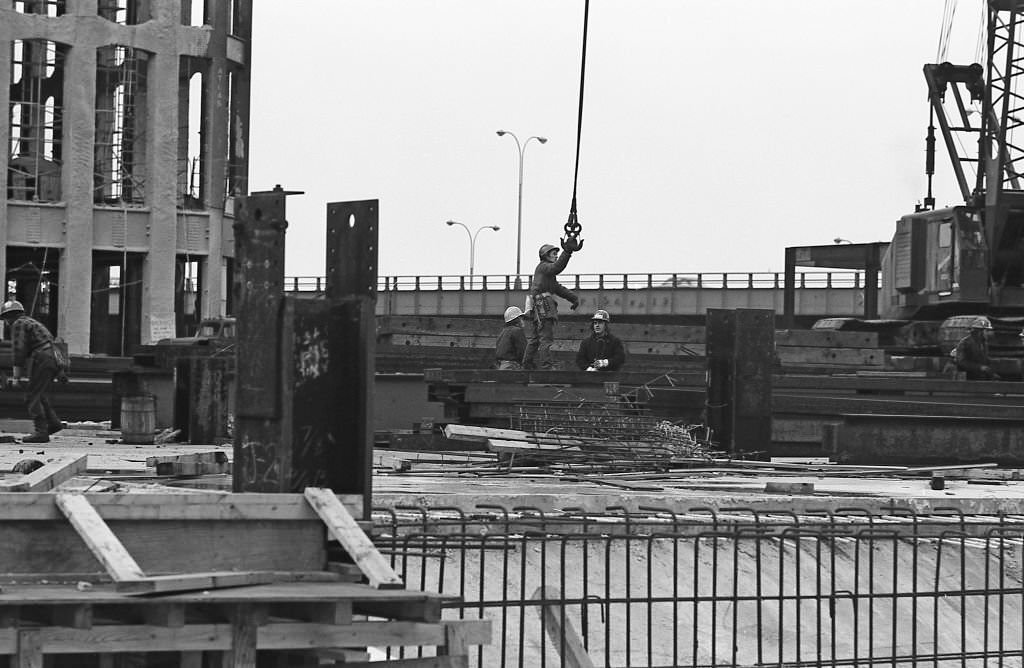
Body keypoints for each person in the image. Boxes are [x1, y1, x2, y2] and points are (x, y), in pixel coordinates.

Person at [1, 300, 64, 443]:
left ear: (9, 316)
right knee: (38, 394)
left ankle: (41, 432)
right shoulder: (31, 322)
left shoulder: (18, 324)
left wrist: (16, 377)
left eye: (4, 319)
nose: (5, 323)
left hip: (42, 357)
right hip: (52, 356)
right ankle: (53, 424)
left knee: (31, 396)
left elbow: (19, 350)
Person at [522, 241, 581, 369]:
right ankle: (546, 366)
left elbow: (559, 289)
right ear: (545, 256)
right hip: (543, 307)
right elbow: (557, 267)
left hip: (536, 307)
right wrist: (567, 252)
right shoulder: (544, 267)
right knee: (545, 338)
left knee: (535, 339)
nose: (556, 256)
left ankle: (527, 364)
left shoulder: (547, 276)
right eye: (554, 254)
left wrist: (574, 298)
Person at [953, 315, 997, 380]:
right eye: (987, 330)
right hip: (967, 378)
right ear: (979, 331)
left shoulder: (983, 343)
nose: (989, 333)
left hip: (979, 377)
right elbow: (961, 362)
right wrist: (980, 367)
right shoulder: (965, 343)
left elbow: (983, 360)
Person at [495, 306, 527, 370]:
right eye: (521, 318)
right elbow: (523, 351)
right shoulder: (517, 331)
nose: (523, 320)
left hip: (501, 366)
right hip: (512, 367)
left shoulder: (503, 332)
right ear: (517, 319)